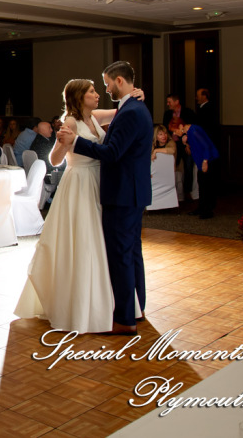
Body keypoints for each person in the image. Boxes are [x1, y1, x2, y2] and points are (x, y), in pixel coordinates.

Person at [15, 80, 139, 332]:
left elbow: (120, 110)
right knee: (84, 240)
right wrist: (64, 143)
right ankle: (82, 306)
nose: (96, 95)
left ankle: (107, 302)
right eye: (92, 91)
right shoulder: (70, 122)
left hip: (99, 181)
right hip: (80, 183)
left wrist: (136, 94)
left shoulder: (94, 116)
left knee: (103, 241)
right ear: (79, 97)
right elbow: (54, 159)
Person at [56, 61, 152, 335]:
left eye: (107, 83)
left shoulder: (130, 111)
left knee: (122, 255)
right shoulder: (133, 108)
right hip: (130, 191)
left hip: (122, 193)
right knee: (132, 252)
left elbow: (111, 153)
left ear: (119, 81)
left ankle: (124, 319)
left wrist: (75, 142)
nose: (104, 89)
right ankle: (137, 308)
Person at [178, 122, 219, 219]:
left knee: (207, 185)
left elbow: (205, 146)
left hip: (208, 160)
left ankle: (207, 211)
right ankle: (201, 208)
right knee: (201, 183)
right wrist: (186, 144)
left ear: (182, 126)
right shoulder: (190, 133)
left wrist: (205, 161)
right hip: (202, 162)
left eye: (176, 131)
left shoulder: (194, 130)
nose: (175, 133)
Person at [163, 94, 196, 200]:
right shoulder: (167, 114)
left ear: (176, 102)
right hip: (173, 144)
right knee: (172, 166)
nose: (168, 104)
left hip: (185, 144)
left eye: (169, 102)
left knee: (188, 166)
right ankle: (172, 193)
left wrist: (188, 144)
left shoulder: (188, 112)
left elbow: (192, 129)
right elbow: (165, 129)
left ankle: (187, 192)